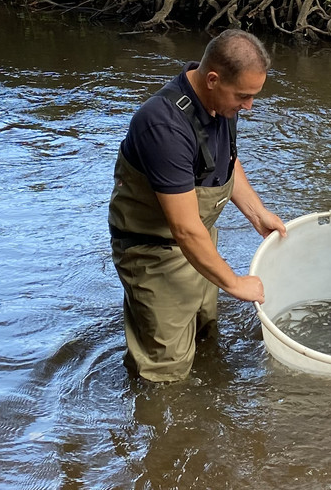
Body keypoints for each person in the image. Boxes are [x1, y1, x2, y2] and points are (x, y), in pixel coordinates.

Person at [108, 29, 286, 382]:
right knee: (165, 367)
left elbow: (226, 161)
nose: (248, 106)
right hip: (155, 253)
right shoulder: (163, 126)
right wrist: (234, 283)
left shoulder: (221, 101)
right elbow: (185, 228)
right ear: (213, 78)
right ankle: (157, 426)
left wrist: (256, 212)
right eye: (244, 96)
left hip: (199, 241)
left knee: (205, 335)